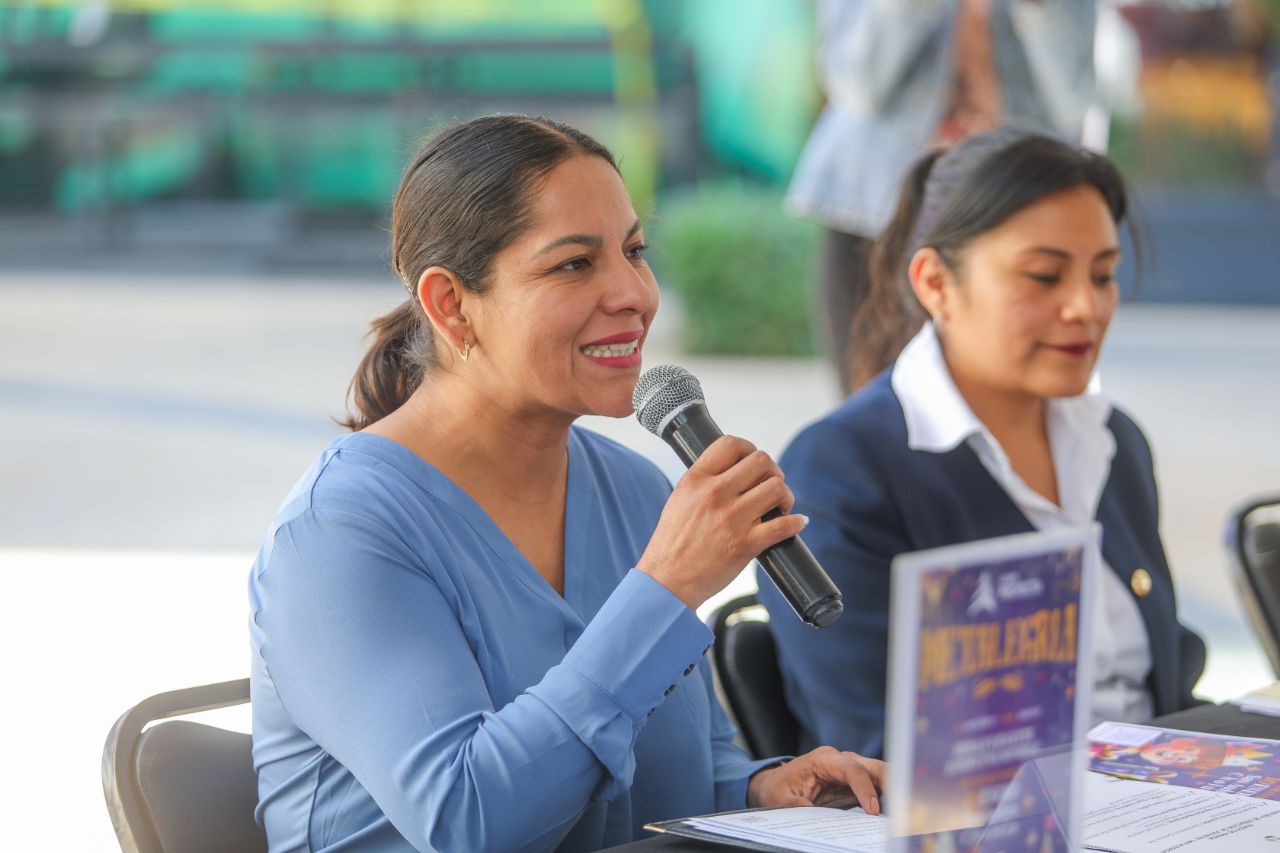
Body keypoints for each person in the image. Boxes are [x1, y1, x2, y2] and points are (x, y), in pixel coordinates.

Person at [248, 115, 884, 852]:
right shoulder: (339, 536)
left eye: (635, 251)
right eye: (574, 265)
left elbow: (660, 770)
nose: (635, 294)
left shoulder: (638, 491)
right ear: (451, 304)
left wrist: (763, 788)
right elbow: (470, 822)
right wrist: (667, 586)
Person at [758, 129, 1205, 759]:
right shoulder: (841, 473)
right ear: (936, 283)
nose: (1085, 306)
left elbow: (1165, 685)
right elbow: (875, 745)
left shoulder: (1114, 441)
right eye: (1044, 276)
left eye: (1103, 275)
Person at [787, 0, 1100, 394]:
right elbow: (855, 85)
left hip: (1010, 215)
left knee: (1012, 410)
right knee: (868, 415)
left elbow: (1075, 100)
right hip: (871, 214)